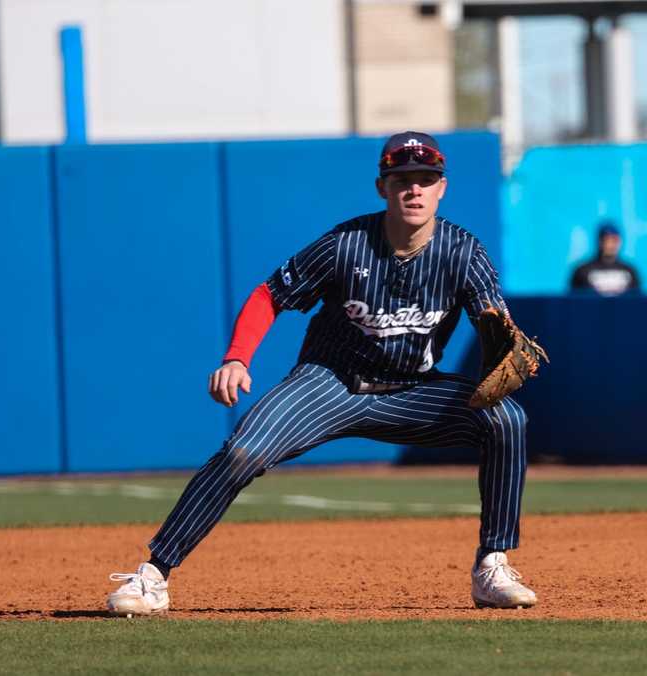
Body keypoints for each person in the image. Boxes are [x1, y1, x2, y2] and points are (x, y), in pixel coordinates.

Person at [105, 132, 542, 616]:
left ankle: (492, 565)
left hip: (412, 390)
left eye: (425, 180)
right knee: (243, 451)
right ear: (382, 188)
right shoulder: (345, 245)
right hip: (329, 383)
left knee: (506, 420)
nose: (414, 190)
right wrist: (236, 357)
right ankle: (154, 575)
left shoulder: (464, 253)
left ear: (442, 189)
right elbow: (270, 295)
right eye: (402, 180)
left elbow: (495, 322)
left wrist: (498, 338)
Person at [569, 222, 642, 296]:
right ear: (599, 241)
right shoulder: (582, 271)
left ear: (620, 242)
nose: (610, 244)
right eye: (607, 239)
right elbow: (572, 301)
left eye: (614, 240)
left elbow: (637, 300)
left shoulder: (630, 271)